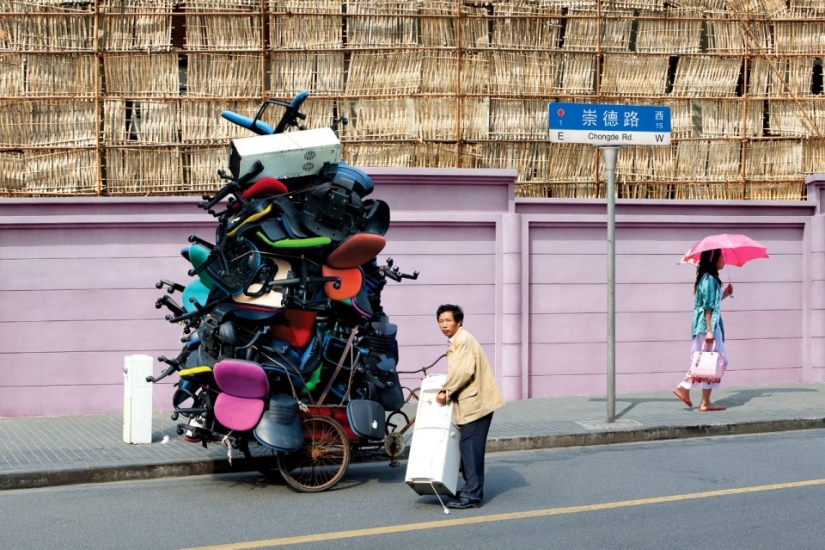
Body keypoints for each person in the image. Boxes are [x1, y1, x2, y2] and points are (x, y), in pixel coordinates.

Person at [434, 304, 505, 509]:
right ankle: (471, 488)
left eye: (448, 320)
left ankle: (472, 495)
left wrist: (445, 390)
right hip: (472, 403)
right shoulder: (458, 340)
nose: (444, 324)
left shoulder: (462, 340)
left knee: (470, 448)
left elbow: (464, 371)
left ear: (459, 322)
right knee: (467, 447)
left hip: (476, 404)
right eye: (441, 321)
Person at [672, 248, 733, 412]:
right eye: (722, 257)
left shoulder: (710, 279)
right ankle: (702, 400)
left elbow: (713, 304)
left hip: (709, 326)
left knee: (709, 361)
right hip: (707, 327)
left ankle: (689, 388)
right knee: (712, 361)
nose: (724, 261)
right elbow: (707, 308)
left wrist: (725, 294)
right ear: (713, 260)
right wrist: (709, 331)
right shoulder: (709, 280)